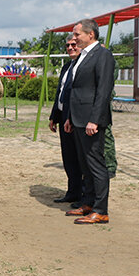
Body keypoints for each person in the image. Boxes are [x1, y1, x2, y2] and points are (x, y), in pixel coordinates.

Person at [65, 19, 115, 224]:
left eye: (77, 34)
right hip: (78, 119)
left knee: (96, 165)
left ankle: (101, 210)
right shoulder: (83, 56)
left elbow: (103, 90)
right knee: (84, 165)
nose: (74, 39)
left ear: (90, 34)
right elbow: (77, 90)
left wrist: (94, 120)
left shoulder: (103, 55)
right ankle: (88, 203)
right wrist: (69, 117)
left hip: (91, 121)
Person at [49, 37, 84, 204]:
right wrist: (54, 116)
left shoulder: (83, 66)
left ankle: (84, 195)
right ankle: (72, 192)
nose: (70, 48)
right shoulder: (66, 67)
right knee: (68, 157)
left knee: (80, 158)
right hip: (64, 117)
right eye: (68, 45)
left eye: (73, 45)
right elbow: (60, 93)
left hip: (77, 118)